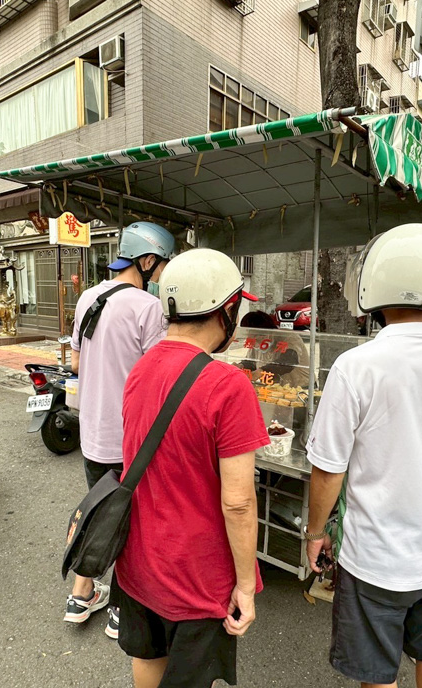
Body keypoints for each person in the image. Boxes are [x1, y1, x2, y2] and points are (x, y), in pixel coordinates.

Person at [304, 224, 422, 688]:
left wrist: (315, 533)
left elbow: (328, 469)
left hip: (375, 557)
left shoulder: (356, 366)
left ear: (374, 286)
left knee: (377, 672)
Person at [114, 248, 269, 688]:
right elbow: (238, 502)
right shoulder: (228, 385)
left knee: (149, 655)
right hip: (196, 575)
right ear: (227, 310)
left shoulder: (141, 368)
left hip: (139, 560)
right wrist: (244, 585)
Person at [64, 221, 175, 639]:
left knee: (99, 509)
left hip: (91, 432)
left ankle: (80, 595)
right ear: (146, 260)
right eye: (160, 264)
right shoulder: (148, 307)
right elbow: (159, 374)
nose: (161, 273)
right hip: (129, 437)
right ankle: (121, 610)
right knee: (133, 520)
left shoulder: (87, 298)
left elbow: (76, 363)